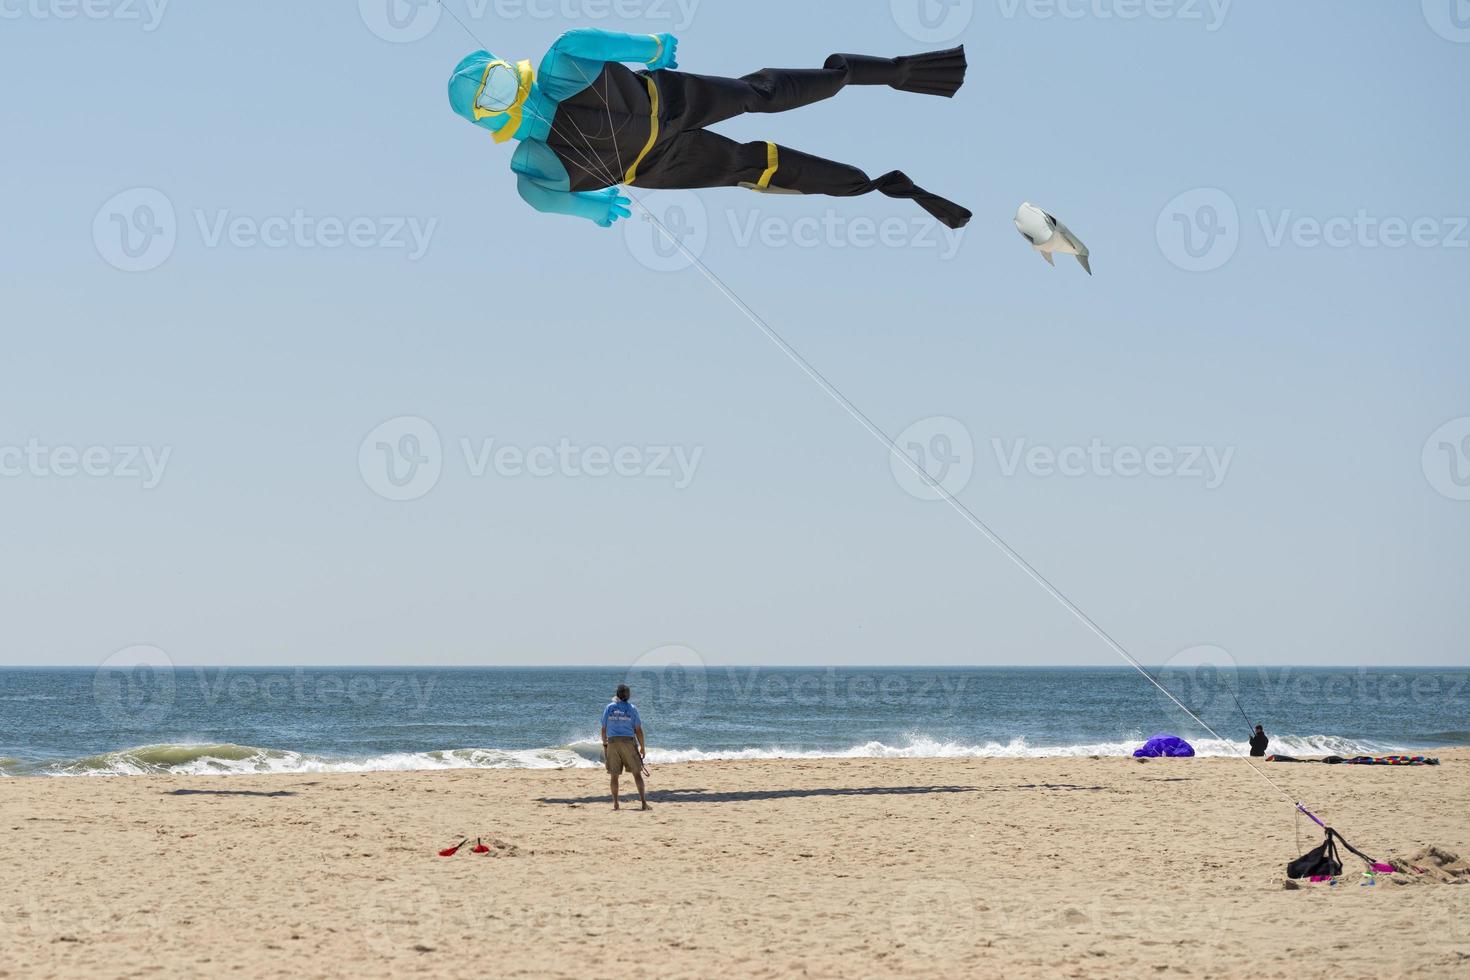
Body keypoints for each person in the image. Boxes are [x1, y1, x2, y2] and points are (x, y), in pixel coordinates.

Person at [446, 30, 972, 229]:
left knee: (757, 98)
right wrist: (592, 209)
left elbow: (592, 43)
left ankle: (888, 72)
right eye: (490, 98)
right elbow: (540, 199)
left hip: (668, 107)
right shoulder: (532, 161)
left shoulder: (561, 69)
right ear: (485, 119)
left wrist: (649, 48)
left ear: (506, 69)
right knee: (754, 159)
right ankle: (876, 181)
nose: (504, 96)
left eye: (496, 82)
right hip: (655, 158)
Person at [601, 684, 648, 811]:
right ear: (628, 695)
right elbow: (638, 730)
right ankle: (643, 803)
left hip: (612, 742)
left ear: (617, 694)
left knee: (614, 775)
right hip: (628, 741)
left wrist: (605, 744)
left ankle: (616, 803)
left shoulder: (609, 707)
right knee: (637, 773)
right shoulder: (632, 708)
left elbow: (603, 729)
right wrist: (642, 747)